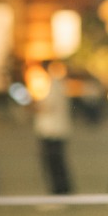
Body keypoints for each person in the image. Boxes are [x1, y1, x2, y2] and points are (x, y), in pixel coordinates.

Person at [33, 60, 74, 195]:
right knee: (57, 163)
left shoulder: (53, 85)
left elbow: (49, 107)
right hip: (54, 130)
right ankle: (62, 192)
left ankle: (59, 193)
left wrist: (34, 106)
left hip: (52, 131)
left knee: (54, 164)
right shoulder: (56, 84)